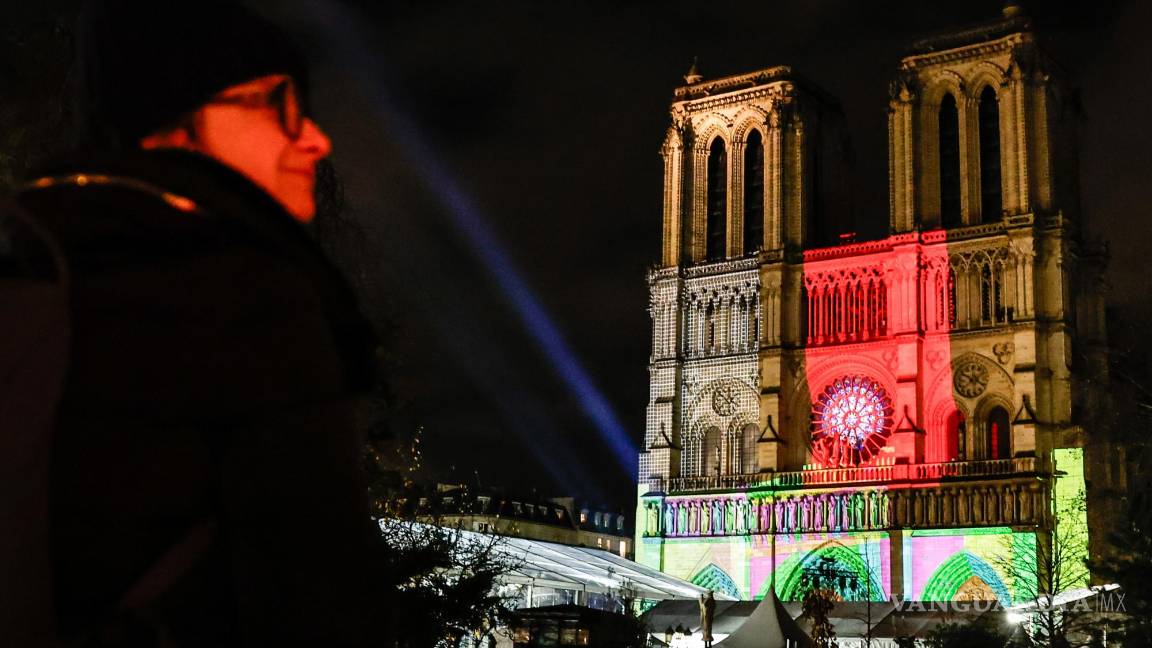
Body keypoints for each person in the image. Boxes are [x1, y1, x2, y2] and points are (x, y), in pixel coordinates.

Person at [5, 1, 384, 645]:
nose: (315, 138)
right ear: (177, 121)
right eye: (277, 102)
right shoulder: (243, 296)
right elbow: (321, 593)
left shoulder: (39, 253)